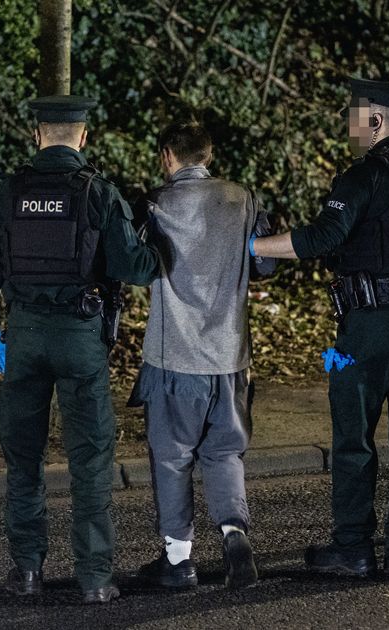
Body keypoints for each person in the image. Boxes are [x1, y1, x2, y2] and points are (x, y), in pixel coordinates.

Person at [252, 78, 389, 580]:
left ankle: (352, 546)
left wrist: (252, 249)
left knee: (352, 432)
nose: (349, 127)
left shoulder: (366, 174)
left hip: (369, 328)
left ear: (375, 121)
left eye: (354, 118)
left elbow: (323, 237)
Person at [0, 95, 160, 604]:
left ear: (37, 136)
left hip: (22, 336)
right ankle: (94, 579)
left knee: (23, 459)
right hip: (79, 338)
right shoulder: (98, 192)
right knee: (90, 461)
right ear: (83, 137)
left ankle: (27, 570)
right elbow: (133, 268)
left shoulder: (9, 193)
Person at [128, 122, 276, 590]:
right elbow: (266, 265)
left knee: (172, 457)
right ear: (208, 155)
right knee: (225, 452)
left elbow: (131, 263)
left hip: (175, 358)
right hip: (230, 356)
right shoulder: (243, 198)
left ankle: (178, 561)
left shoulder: (155, 203)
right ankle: (235, 535)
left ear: (168, 155)